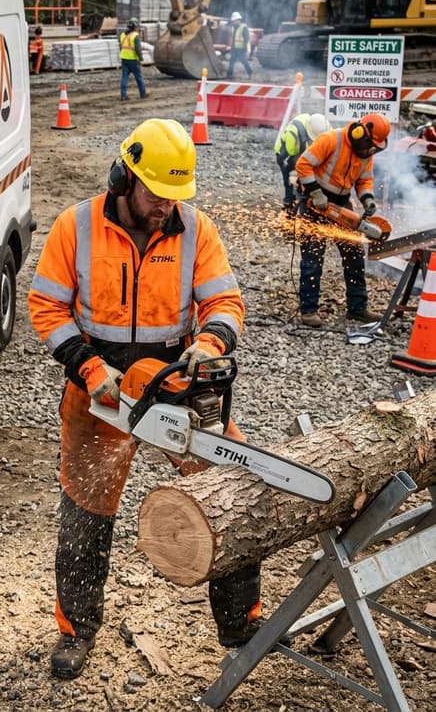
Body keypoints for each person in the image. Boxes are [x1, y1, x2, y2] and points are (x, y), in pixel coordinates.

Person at [28, 118, 266, 680]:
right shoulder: (76, 227)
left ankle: (241, 623)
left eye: (175, 197)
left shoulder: (196, 229)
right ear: (125, 177)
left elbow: (225, 301)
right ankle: (76, 627)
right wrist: (87, 367)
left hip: (173, 383)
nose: (165, 207)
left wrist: (210, 343)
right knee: (85, 511)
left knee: (230, 488)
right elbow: (46, 308)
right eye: (157, 194)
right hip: (99, 388)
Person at [295, 112, 391, 327]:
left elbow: (365, 180)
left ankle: (357, 307)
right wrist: (315, 192)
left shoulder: (366, 151)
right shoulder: (330, 139)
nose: (370, 151)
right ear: (359, 133)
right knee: (313, 258)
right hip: (316, 203)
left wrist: (368, 199)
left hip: (342, 203)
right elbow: (303, 165)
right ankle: (308, 309)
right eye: (369, 145)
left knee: (354, 255)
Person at [273, 113, 330, 213]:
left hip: (300, 152)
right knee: (290, 181)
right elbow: (292, 156)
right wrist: (296, 173)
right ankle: (289, 204)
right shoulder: (293, 132)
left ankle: (300, 197)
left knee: (302, 180)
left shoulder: (324, 126)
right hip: (286, 155)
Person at [119, 18, 148, 101]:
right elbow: (138, 49)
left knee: (124, 77)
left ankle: (123, 95)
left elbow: (121, 46)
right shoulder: (135, 35)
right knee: (139, 77)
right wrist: (141, 58)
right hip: (133, 59)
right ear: (135, 26)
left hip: (124, 59)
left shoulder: (122, 35)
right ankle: (143, 94)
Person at [226, 11, 253, 79]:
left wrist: (248, 51)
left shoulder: (244, 27)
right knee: (231, 62)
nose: (234, 22)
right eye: (233, 21)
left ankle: (250, 73)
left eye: (235, 21)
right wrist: (231, 47)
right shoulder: (233, 28)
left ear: (239, 20)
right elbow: (233, 38)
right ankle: (229, 75)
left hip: (242, 49)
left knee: (244, 62)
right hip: (234, 49)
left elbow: (247, 40)